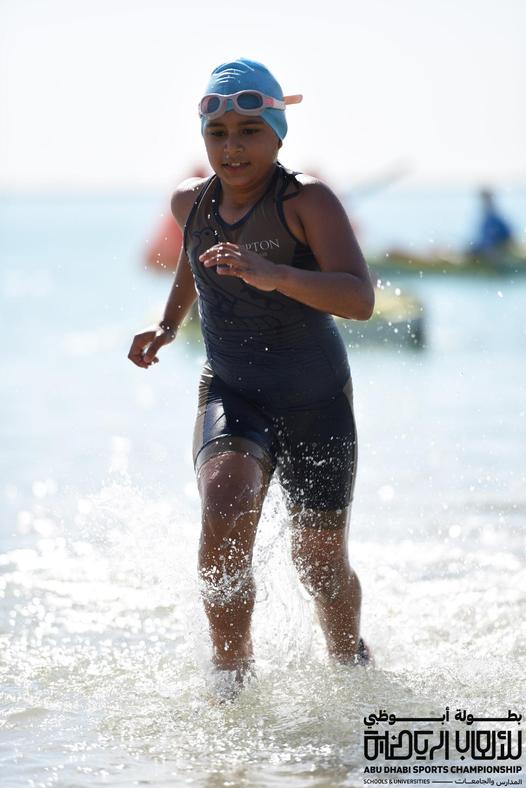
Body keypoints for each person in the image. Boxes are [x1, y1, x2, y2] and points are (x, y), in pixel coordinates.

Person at [128, 58, 376, 691]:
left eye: (248, 131)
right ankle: (231, 679)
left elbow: (359, 299)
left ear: (277, 134)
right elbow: (194, 260)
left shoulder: (307, 201)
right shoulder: (190, 201)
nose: (232, 147)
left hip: (316, 398)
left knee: (319, 563)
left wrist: (277, 276)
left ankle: (351, 666)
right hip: (233, 390)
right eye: (218, 134)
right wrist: (166, 324)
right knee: (224, 506)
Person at [468, 188, 514, 255]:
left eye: (486, 199)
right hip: (486, 249)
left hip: (494, 252)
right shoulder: (488, 217)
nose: (483, 202)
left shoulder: (493, 218)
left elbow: (507, 237)